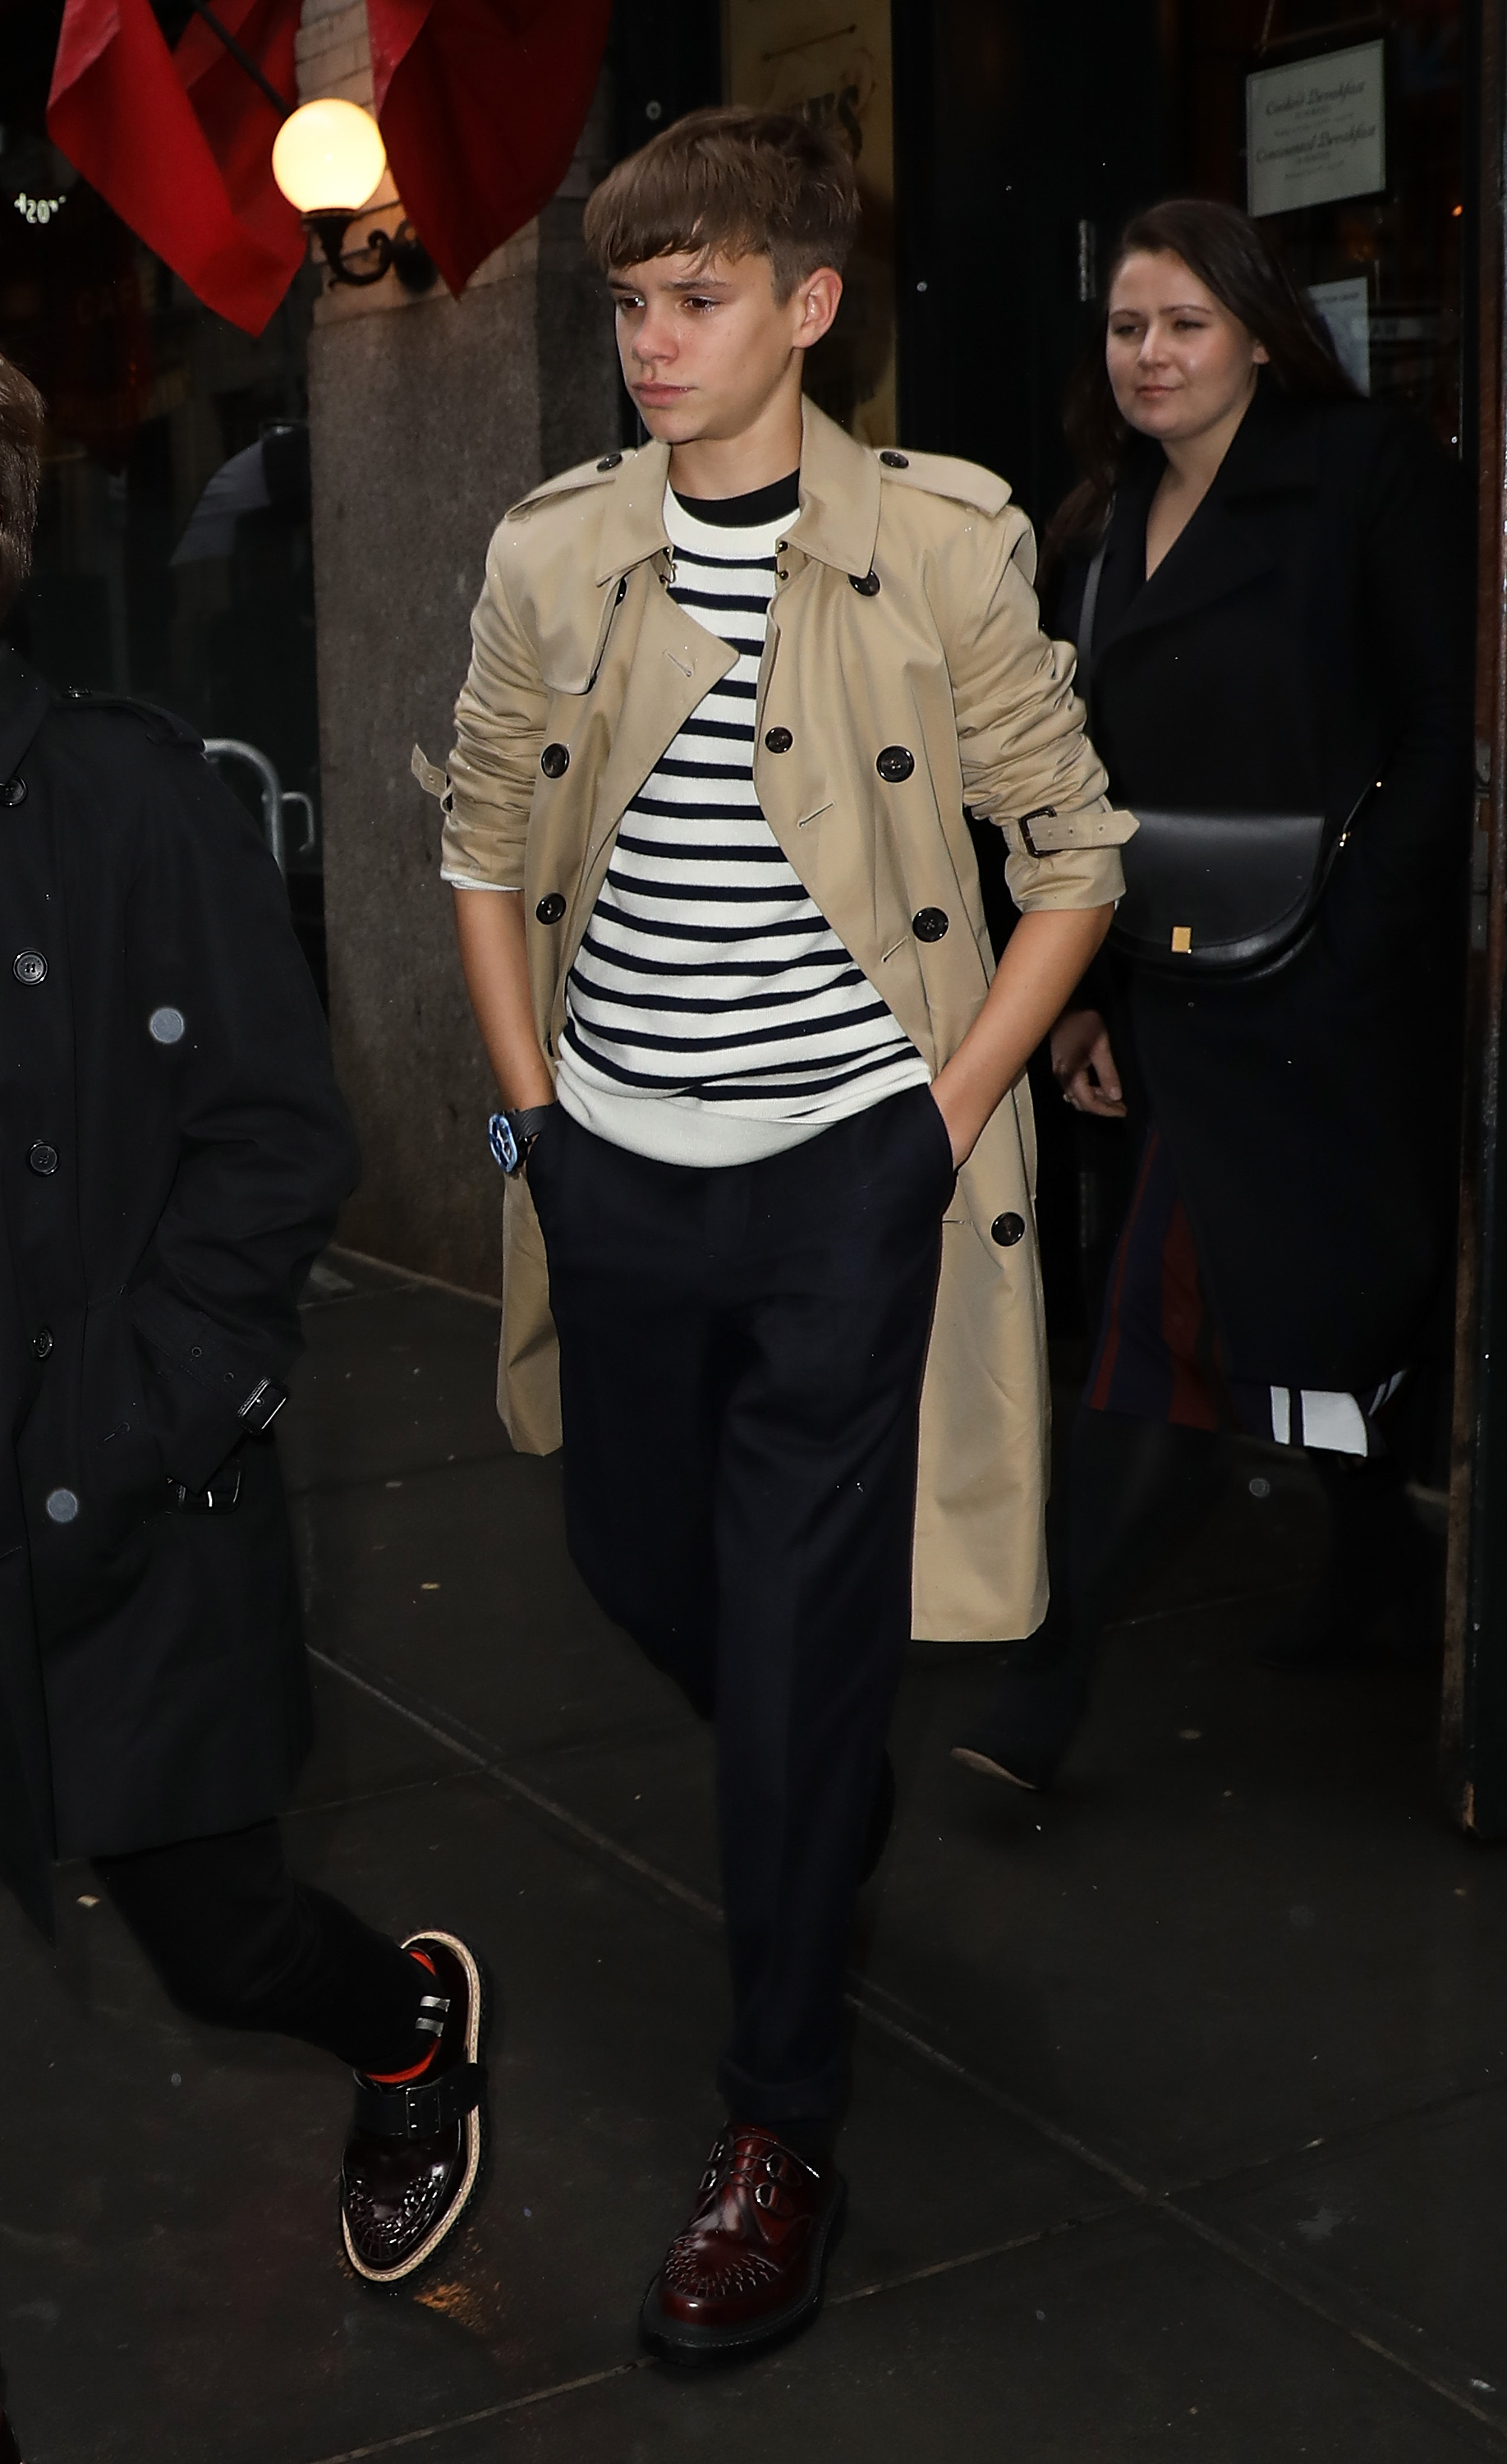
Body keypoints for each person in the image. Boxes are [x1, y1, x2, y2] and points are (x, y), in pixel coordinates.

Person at [429, 104, 1132, 2364]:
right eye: (629, 302)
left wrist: (934, 1123)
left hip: (847, 1169)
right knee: (635, 1560)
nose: (652, 339)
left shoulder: (938, 542)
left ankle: (777, 2133)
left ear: (811, 305)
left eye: (698, 297)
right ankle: (814, 1763)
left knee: (792, 1659)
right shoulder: (555, 551)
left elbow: (1075, 858)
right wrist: (536, 1124)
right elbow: (477, 847)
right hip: (614, 1164)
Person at [0, 301, 489, 2464]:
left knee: (217, 1944)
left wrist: (126, 1435)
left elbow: (274, 1148)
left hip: (88, 1516)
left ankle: (406, 2025)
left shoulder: (120, 796)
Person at [953, 199, 1472, 1795]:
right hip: (1169, 978)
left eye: (1184, 323)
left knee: (1174, 1319)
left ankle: (1047, 1681)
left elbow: (1447, 731)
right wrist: (1079, 997)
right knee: (1241, 1298)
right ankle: (1377, 1559)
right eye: (1127, 327)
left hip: (1327, 990)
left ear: (1259, 331)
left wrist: (1352, 939)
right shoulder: (1097, 521)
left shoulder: (1365, 475)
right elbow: (1076, 786)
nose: (1151, 355)